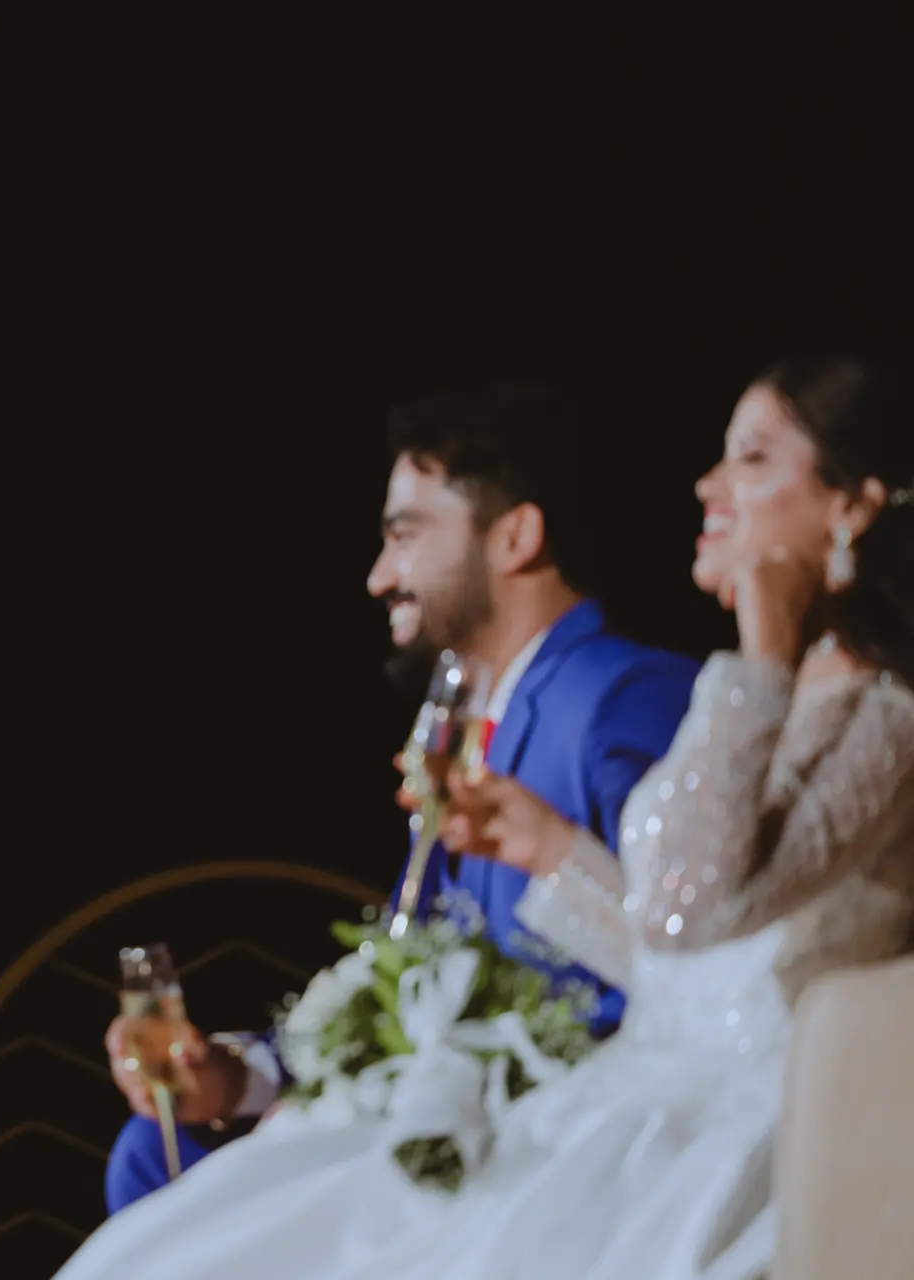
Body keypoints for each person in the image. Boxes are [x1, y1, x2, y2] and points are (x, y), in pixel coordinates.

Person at [56, 352, 914, 1279]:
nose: (708, 485)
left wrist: (762, 651)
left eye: (751, 458)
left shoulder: (667, 697)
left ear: (852, 506)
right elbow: (673, 961)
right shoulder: (745, 697)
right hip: (612, 1090)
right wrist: (549, 849)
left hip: (694, 1118)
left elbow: (686, 914)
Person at [100, 385, 699, 1212]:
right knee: (155, 1149)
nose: (379, 575)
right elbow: (406, 969)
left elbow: (692, 967)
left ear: (515, 537)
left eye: (405, 536)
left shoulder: (621, 698)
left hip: (550, 1145)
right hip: (443, 1103)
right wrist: (236, 1077)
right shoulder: (466, 729)